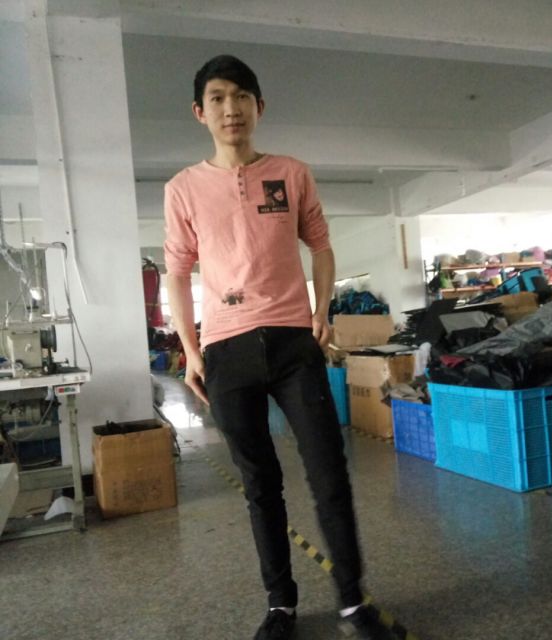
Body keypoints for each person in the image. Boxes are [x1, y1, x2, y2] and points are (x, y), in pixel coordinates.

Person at [164, 55, 393, 640]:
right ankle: (281, 605)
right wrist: (191, 352)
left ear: (259, 106)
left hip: (294, 344)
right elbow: (177, 274)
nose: (231, 109)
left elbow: (321, 245)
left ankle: (353, 603)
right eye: (218, 98)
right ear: (200, 112)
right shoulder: (183, 189)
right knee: (260, 484)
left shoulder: (291, 173)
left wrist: (322, 311)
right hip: (226, 351)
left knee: (329, 474)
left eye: (241, 96)